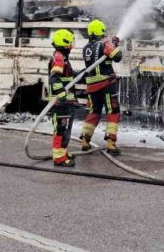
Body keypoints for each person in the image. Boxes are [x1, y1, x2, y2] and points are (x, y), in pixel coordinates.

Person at [81, 19, 123, 155]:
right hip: (106, 84)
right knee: (113, 111)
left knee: (94, 111)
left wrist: (112, 45)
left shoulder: (86, 48)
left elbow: (100, 59)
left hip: (92, 85)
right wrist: (114, 45)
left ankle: (85, 140)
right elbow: (118, 57)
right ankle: (111, 143)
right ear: (101, 32)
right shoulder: (104, 43)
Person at [49, 29, 78, 167]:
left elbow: (66, 77)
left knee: (65, 129)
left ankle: (63, 152)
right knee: (61, 129)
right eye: (70, 42)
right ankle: (59, 158)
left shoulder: (62, 58)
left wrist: (80, 74)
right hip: (61, 103)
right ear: (64, 43)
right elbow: (54, 78)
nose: (72, 46)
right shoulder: (59, 58)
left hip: (65, 102)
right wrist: (62, 96)